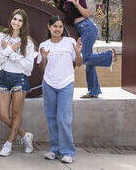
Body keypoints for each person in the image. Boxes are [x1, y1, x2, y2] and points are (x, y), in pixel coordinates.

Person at [42, 0, 115, 98]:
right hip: (80, 31)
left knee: (83, 58)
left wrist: (77, 5)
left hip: (88, 28)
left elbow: (87, 14)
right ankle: (94, 92)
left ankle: (110, 56)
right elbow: (43, 1)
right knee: (88, 61)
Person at [0, 9, 35, 156]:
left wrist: (11, 53)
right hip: (3, 77)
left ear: (23, 23)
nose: (16, 22)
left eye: (20, 20)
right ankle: (25, 135)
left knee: (16, 113)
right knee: (3, 116)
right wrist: (9, 50)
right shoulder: (0, 36)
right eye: (15, 19)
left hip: (20, 78)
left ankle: (9, 143)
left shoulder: (27, 42)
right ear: (10, 19)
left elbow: (28, 67)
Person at [38, 16, 83, 164]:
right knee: (51, 118)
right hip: (49, 83)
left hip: (66, 83)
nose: (58, 29)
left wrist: (77, 52)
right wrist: (44, 57)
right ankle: (54, 150)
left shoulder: (70, 42)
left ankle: (68, 152)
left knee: (64, 119)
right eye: (55, 26)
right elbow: (42, 68)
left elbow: (78, 63)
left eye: (60, 27)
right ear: (49, 27)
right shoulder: (44, 45)